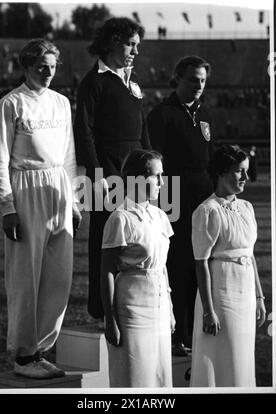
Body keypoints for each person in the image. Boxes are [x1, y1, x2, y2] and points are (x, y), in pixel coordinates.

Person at [0, 39, 81, 379]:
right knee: (26, 276)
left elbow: (69, 155)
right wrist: (7, 208)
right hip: (25, 188)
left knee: (59, 276)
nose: (47, 72)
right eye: (41, 66)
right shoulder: (10, 104)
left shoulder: (61, 103)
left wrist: (73, 200)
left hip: (57, 185)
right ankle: (24, 355)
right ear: (26, 66)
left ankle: (41, 350)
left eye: (53, 66)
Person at [75, 17, 151, 322]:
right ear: (111, 42)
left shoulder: (132, 82)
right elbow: (84, 131)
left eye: (137, 45)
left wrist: (151, 164)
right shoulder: (93, 82)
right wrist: (98, 175)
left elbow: (142, 128)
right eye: (130, 44)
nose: (135, 51)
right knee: (107, 241)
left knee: (138, 236)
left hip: (137, 170)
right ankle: (101, 308)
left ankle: (130, 304)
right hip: (108, 173)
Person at [147, 56, 214, 356]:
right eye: (192, 79)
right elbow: (153, 160)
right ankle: (175, 334)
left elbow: (210, 159)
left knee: (201, 262)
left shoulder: (204, 116)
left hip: (203, 197)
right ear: (177, 78)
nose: (198, 85)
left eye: (202, 80)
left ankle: (193, 332)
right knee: (176, 265)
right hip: (173, 195)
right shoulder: (161, 114)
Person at [190, 145, 266, 387]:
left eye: (245, 171)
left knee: (243, 359)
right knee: (225, 357)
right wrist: (208, 310)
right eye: (239, 171)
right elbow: (200, 263)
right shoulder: (207, 211)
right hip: (222, 295)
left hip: (245, 296)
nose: (245, 177)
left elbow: (250, 255)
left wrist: (260, 297)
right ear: (221, 173)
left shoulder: (247, 208)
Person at [101, 150, 175, 387]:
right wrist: (110, 318)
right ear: (137, 178)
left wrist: (170, 307)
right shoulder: (120, 218)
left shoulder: (160, 215)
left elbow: (162, 266)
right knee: (135, 376)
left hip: (160, 306)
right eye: (157, 176)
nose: (162, 183)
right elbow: (107, 271)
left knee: (160, 375)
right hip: (132, 308)